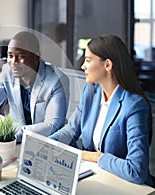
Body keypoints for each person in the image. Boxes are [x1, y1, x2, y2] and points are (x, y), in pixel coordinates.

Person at [49, 34, 154, 187]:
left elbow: (136, 170)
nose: (83, 66)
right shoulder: (91, 92)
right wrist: (48, 145)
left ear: (107, 65)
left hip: (125, 185)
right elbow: (70, 130)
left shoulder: (134, 106)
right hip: (95, 177)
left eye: (88, 60)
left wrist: (96, 157)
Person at [0, 31, 69, 143]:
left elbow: (52, 125)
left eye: (21, 56)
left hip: (47, 145)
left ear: (36, 56)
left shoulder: (57, 80)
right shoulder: (7, 71)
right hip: (16, 144)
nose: (13, 62)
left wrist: (7, 135)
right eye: (10, 56)